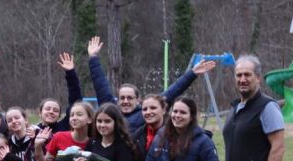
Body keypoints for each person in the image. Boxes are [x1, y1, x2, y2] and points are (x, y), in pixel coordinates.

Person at [87, 36, 216, 132]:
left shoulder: (145, 113)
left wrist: (192, 73)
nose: (125, 101)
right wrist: (93, 58)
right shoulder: (111, 112)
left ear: (138, 100)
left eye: (129, 98)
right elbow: (100, 84)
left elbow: (173, 91)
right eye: (122, 98)